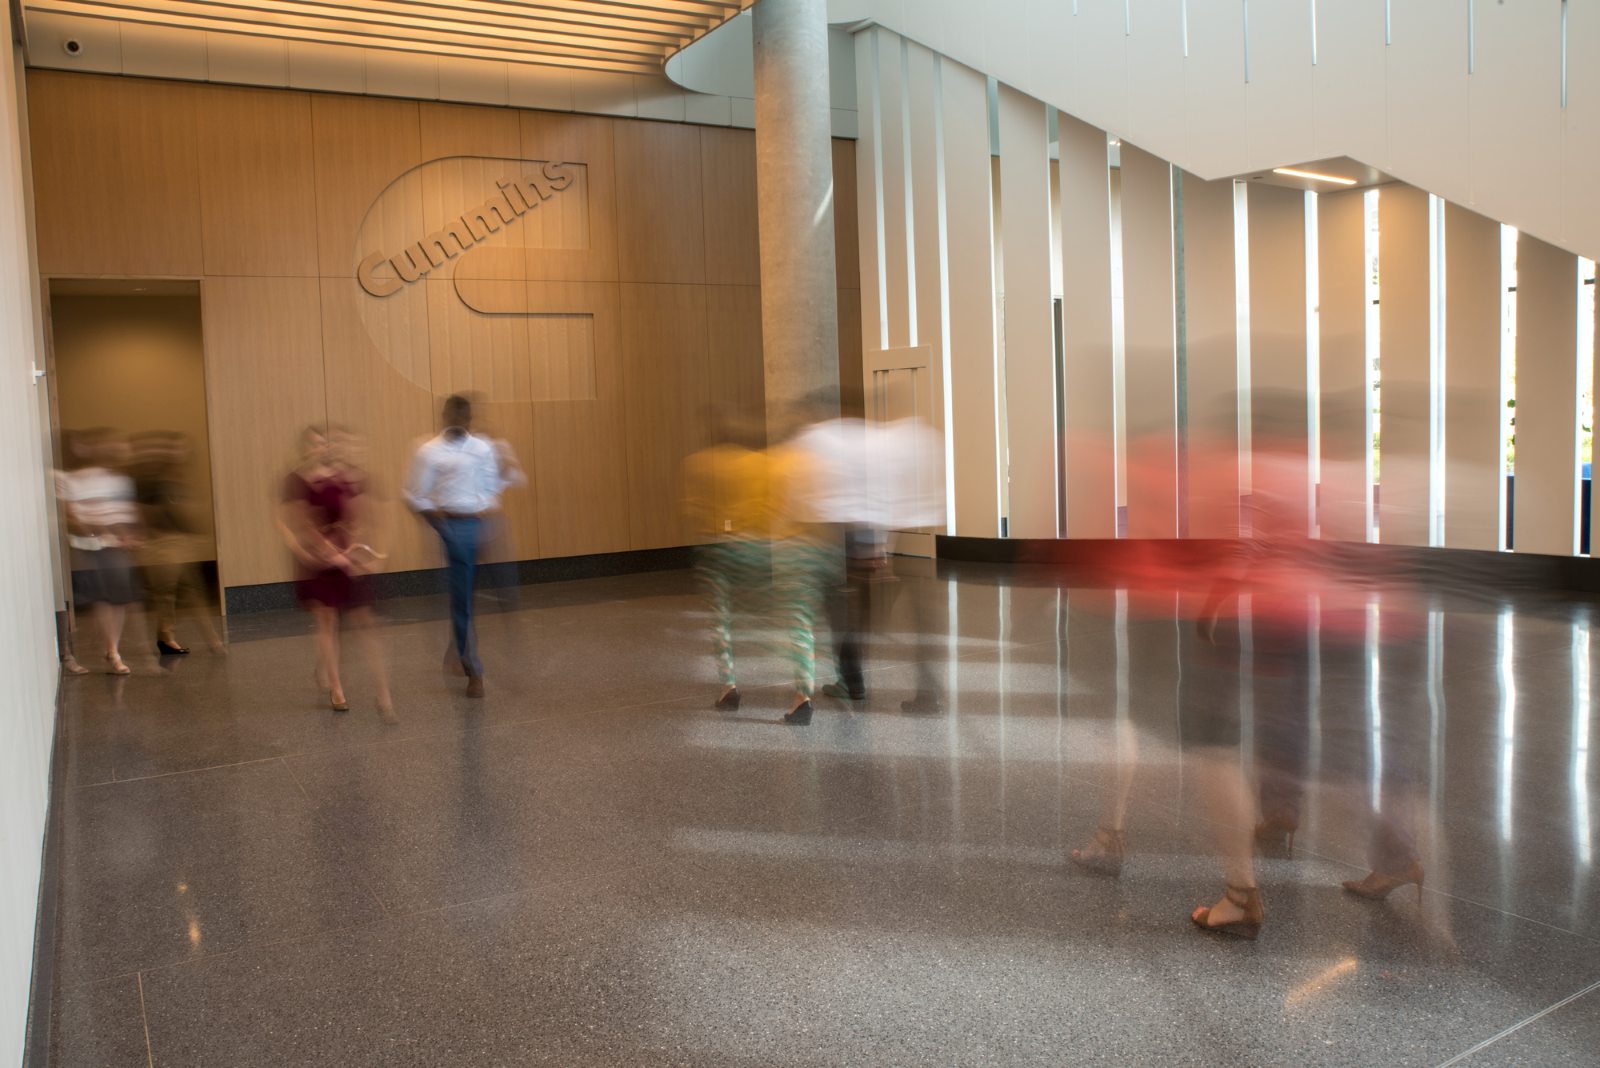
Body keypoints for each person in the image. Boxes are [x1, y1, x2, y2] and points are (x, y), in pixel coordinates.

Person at [279, 426, 394, 721]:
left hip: (342, 552)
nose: (320, 449)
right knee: (326, 618)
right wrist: (326, 552)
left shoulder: (339, 477)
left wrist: (354, 550)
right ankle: (337, 688)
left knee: (358, 619)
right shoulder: (296, 480)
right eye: (314, 444)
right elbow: (300, 523)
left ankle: (332, 670)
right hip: (316, 558)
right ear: (304, 448)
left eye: (323, 444)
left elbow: (355, 517)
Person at [406, 395, 503, 698]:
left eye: (465, 418)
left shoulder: (482, 448)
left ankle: (457, 647)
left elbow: (491, 486)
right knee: (462, 600)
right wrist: (435, 520)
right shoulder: (429, 451)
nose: (460, 423)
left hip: (479, 524)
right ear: (445, 418)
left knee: (468, 597)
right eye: (455, 418)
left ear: (470, 419)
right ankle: (474, 669)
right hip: (451, 526)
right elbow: (414, 493)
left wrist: (486, 509)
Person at [56, 428, 143, 675]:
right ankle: (111, 651)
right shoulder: (72, 479)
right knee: (104, 598)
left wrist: (129, 534)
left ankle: (112, 648)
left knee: (119, 599)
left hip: (114, 545)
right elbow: (74, 514)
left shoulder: (118, 480)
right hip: (91, 547)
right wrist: (102, 532)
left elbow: (126, 511)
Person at [130, 431, 222, 657]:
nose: (182, 454)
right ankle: (187, 639)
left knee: (186, 592)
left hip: (179, 543)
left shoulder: (175, 479)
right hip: (164, 544)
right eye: (178, 449)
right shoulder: (154, 480)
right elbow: (145, 511)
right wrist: (150, 536)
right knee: (171, 593)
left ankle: (196, 639)